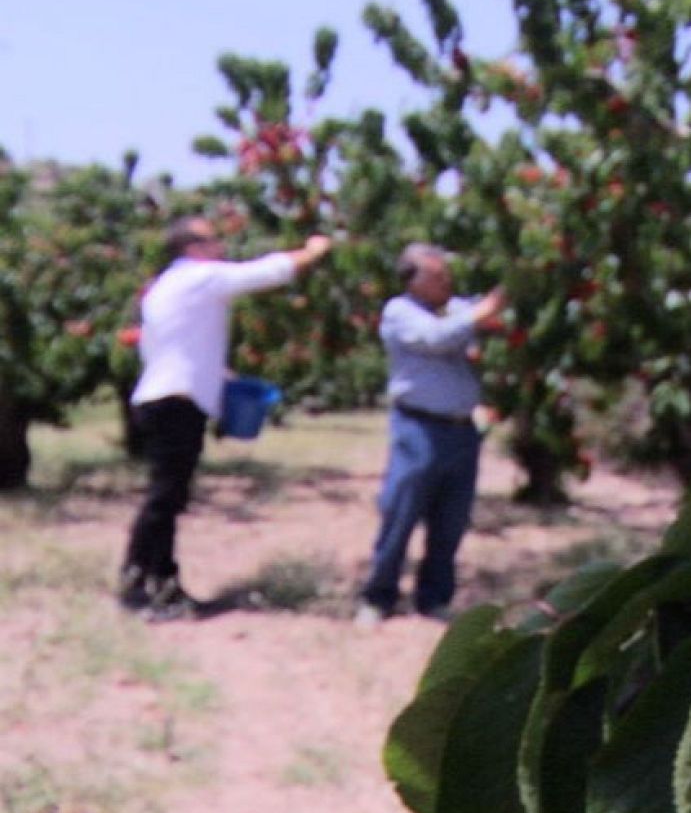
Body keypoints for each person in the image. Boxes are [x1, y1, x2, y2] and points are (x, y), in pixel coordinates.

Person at [119, 217, 334, 618]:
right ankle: (140, 587)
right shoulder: (199, 277)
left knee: (167, 496)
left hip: (163, 395)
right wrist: (314, 251)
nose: (221, 245)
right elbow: (267, 272)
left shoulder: (166, 286)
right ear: (193, 247)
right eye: (214, 239)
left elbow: (172, 345)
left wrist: (218, 376)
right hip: (176, 400)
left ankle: (160, 581)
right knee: (164, 498)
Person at [354, 243, 506, 625]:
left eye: (446, 275)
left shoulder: (455, 309)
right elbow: (436, 338)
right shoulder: (399, 312)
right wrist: (483, 312)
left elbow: (486, 321)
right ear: (412, 280)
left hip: (462, 431)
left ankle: (434, 597)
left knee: (451, 520)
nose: (445, 281)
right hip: (418, 428)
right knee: (401, 513)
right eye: (436, 276)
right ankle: (378, 597)